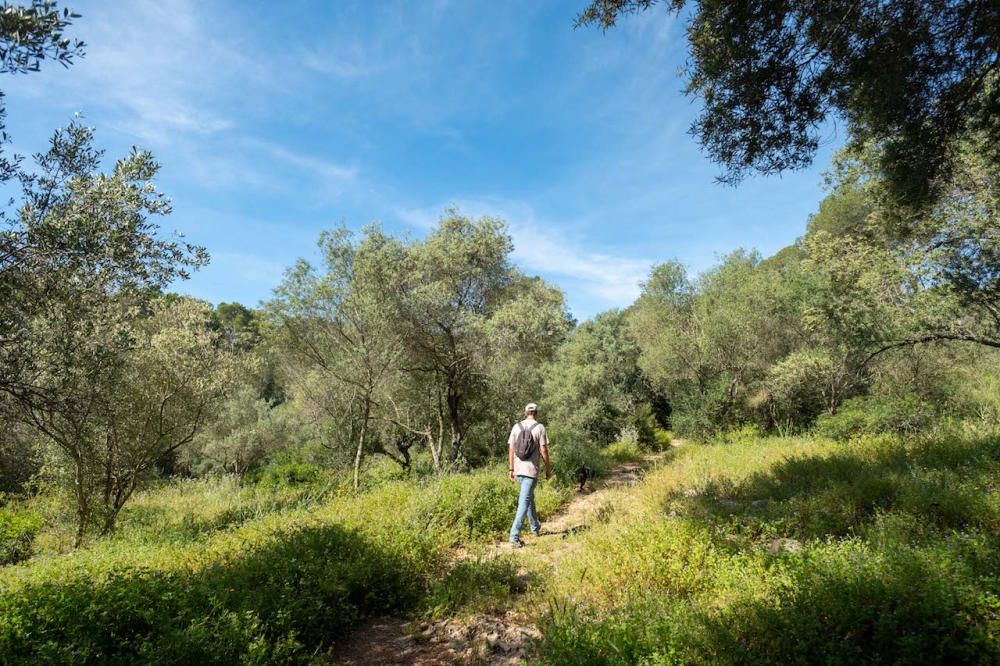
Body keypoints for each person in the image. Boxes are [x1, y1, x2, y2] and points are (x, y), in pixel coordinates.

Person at [507, 402, 551, 548]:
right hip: (531, 471)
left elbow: (511, 448)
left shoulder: (516, 427)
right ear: (536, 413)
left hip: (518, 470)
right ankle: (514, 536)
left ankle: (535, 527)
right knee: (524, 502)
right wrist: (548, 469)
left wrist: (511, 469)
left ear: (525, 413)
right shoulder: (540, 428)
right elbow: (543, 450)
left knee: (528, 497)